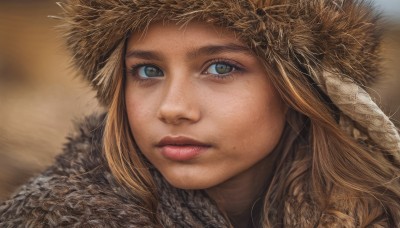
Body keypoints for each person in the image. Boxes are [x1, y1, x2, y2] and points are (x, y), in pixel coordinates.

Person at [1, 0, 400, 227]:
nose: (173, 108)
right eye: (148, 71)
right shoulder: (53, 217)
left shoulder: (378, 211)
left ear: (299, 89)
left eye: (221, 68)